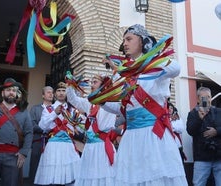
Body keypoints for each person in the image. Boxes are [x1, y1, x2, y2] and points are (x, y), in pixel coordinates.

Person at [102, 24, 188, 185]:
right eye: (124, 40)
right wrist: (102, 101)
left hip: (153, 135)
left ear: (142, 41)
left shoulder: (155, 65)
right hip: (131, 138)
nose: (125, 44)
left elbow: (176, 69)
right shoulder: (124, 75)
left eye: (129, 39)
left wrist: (147, 62)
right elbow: (122, 108)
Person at [66, 74, 117, 186]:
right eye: (91, 82)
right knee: (89, 176)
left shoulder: (111, 101)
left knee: (103, 176)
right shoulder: (88, 102)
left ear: (102, 85)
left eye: (95, 82)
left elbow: (117, 85)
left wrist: (114, 72)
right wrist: (70, 85)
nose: (92, 85)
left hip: (102, 146)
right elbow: (73, 99)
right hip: (90, 147)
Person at [34, 82, 80, 186]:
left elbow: (77, 128)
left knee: (71, 177)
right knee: (52, 177)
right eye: (58, 91)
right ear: (55, 94)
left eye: (64, 90)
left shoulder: (72, 110)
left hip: (68, 145)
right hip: (53, 145)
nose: (61, 93)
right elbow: (42, 126)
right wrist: (55, 113)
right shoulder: (48, 109)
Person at [186, 86, 221, 186]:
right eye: (203, 98)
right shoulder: (193, 114)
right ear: (197, 99)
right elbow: (190, 131)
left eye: (209, 97)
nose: (207, 100)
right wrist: (199, 118)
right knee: (198, 184)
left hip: (219, 156)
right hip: (202, 157)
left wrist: (216, 131)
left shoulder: (219, 112)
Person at [28, 86, 54, 185]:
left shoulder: (56, 108)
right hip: (38, 141)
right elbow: (32, 124)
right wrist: (45, 130)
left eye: (52, 92)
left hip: (52, 142)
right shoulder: (35, 108)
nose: (51, 94)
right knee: (35, 165)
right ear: (43, 95)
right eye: (48, 92)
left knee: (49, 165)